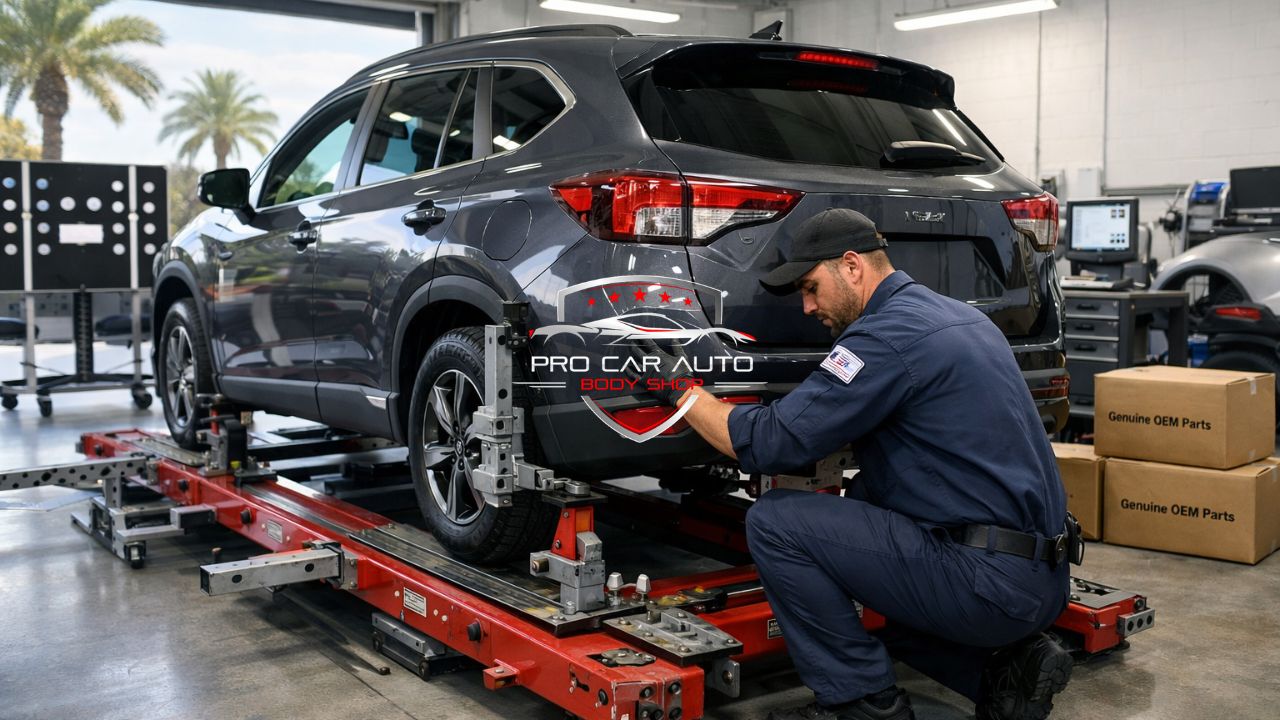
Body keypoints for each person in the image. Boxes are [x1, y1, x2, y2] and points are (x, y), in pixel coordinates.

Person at [634, 208, 1078, 720]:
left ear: (851, 267)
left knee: (776, 522)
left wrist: (681, 392)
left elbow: (773, 442)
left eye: (810, 287)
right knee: (866, 504)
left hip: (989, 585)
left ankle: (862, 702)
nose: (806, 307)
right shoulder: (958, 315)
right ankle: (1002, 674)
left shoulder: (885, 337)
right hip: (1042, 576)